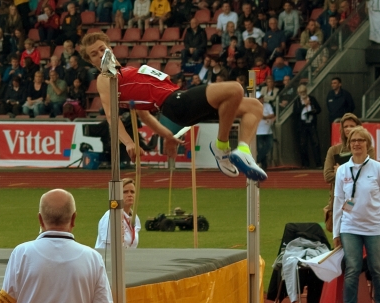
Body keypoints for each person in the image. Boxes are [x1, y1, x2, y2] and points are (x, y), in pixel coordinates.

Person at [81, 31, 268, 181]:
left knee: (254, 107)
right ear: (91, 61)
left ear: (110, 49)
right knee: (235, 88)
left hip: (180, 105)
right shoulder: (105, 79)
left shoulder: (128, 71)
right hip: (175, 102)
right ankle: (222, 147)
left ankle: (243, 150)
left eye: (102, 49)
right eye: (94, 54)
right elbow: (111, 116)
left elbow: (145, 116)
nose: (100, 55)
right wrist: (129, 142)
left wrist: (168, 136)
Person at [332, 127, 380, 303]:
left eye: (361, 140)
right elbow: (338, 202)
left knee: (378, 269)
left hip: (375, 227)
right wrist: (336, 232)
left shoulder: (378, 168)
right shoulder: (343, 170)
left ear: (368, 144)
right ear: (349, 145)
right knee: (352, 267)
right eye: (353, 141)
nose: (357, 144)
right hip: (350, 227)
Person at [323, 113, 373, 232]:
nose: (348, 129)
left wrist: (341, 171)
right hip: (340, 199)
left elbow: (370, 173)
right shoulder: (334, 150)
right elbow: (327, 176)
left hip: (362, 199)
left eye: (352, 126)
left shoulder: (369, 150)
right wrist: (343, 173)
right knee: (340, 235)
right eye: (345, 126)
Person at [95, 178, 141, 249]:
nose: (130, 195)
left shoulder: (134, 217)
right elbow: (110, 248)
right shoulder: (111, 217)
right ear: (117, 194)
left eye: (132, 192)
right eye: (125, 192)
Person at [294, 84, 321, 168]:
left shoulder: (312, 99)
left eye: (304, 91)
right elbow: (295, 113)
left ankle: (318, 164)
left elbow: (319, 109)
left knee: (315, 143)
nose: (303, 93)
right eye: (301, 92)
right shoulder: (297, 101)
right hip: (302, 125)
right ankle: (305, 164)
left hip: (311, 124)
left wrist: (313, 111)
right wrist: (304, 106)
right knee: (303, 144)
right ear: (298, 93)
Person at [256, 90, 274, 170]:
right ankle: (263, 165)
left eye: (262, 97)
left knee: (269, 145)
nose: (261, 99)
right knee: (260, 148)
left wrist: (265, 117)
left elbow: (272, 114)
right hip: (258, 131)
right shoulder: (254, 107)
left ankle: (257, 160)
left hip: (268, 130)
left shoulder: (267, 105)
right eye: (260, 98)